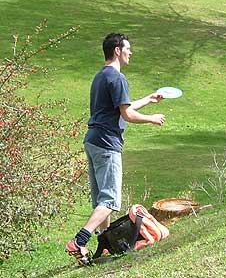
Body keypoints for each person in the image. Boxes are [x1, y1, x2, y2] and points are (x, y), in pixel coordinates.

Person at [65, 33, 165, 265]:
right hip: (107, 143)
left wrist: (149, 99)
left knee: (101, 199)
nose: (131, 52)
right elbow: (127, 114)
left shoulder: (101, 76)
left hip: (93, 140)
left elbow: (122, 106)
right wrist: (152, 118)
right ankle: (79, 241)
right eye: (128, 48)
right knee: (109, 201)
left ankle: (106, 244)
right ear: (117, 50)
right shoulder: (118, 78)